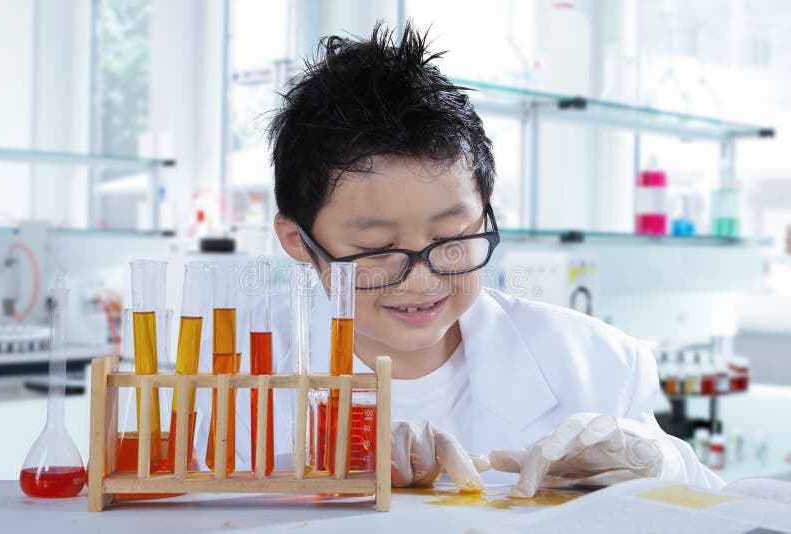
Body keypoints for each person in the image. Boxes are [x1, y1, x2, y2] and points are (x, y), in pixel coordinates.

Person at [199, 22, 722, 496]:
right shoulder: (229, 365)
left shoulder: (595, 365)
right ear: (297, 241)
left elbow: (720, 507)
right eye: (378, 249)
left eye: (451, 237)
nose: (421, 278)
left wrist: (663, 465)